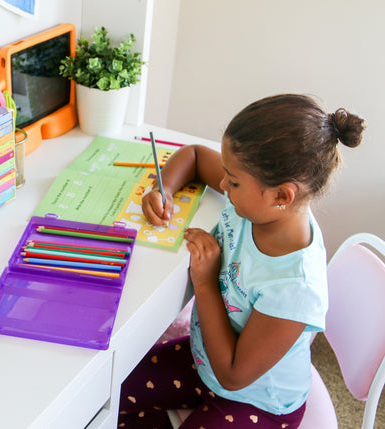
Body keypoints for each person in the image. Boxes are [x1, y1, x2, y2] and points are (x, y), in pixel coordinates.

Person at [117, 94, 366, 429]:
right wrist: (164, 190)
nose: (222, 185)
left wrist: (205, 282)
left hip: (258, 400)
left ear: (282, 195)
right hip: (202, 358)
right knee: (110, 395)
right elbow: (191, 155)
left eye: (232, 182)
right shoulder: (257, 203)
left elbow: (233, 375)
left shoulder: (294, 287)